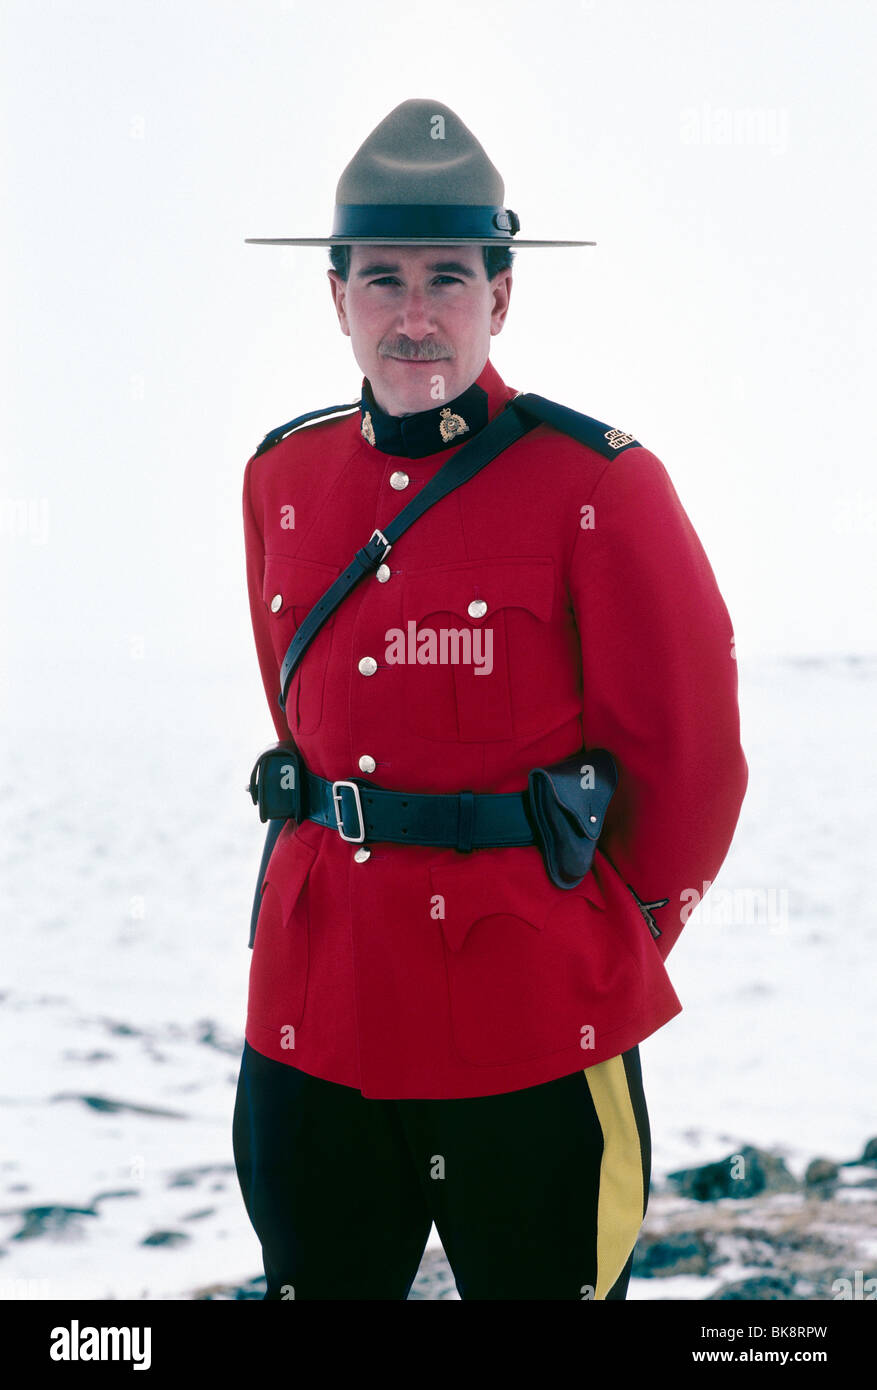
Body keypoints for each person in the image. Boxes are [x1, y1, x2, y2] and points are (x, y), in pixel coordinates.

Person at [232, 98, 748, 1300]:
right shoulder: (282, 478)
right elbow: (301, 724)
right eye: (385, 280)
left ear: (500, 296)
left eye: (449, 279)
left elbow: (689, 766)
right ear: (338, 295)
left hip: (529, 1024)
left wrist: (599, 946)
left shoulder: (595, 486)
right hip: (314, 1015)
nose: (415, 316)